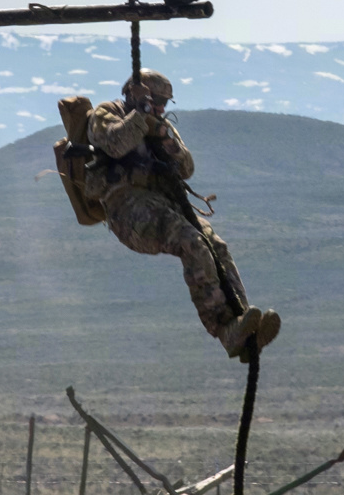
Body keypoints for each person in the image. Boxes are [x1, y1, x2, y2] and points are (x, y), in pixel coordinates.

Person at [55, 69, 280, 360]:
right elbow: (113, 143)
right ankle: (224, 330)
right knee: (192, 242)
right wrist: (140, 118)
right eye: (157, 99)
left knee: (216, 246)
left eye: (165, 101)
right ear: (137, 94)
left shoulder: (160, 125)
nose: (161, 106)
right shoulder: (107, 113)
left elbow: (186, 167)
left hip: (163, 204)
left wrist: (161, 134)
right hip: (128, 210)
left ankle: (243, 323)